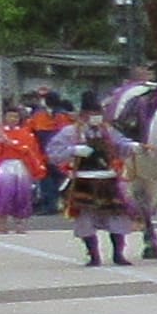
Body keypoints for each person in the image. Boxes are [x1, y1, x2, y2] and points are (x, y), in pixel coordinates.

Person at [59, 108, 136, 265]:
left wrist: (132, 146)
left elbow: (121, 143)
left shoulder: (108, 130)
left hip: (108, 178)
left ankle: (118, 254)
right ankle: (94, 255)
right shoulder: (70, 132)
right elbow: (54, 152)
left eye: (98, 114)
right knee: (85, 218)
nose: (95, 118)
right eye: (91, 114)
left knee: (117, 216)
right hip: (83, 179)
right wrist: (73, 150)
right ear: (82, 115)